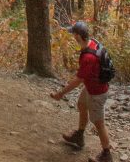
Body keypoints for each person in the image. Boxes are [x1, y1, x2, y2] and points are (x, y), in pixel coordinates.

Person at [50, 21, 113, 162]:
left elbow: (78, 80)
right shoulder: (93, 43)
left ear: (78, 36)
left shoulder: (88, 57)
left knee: (98, 122)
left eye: (73, 33)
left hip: (97, 92)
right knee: (82, 105)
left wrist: (61, 94)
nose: (72, 36)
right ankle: (79, 136)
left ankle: (106, 154)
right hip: (92, 87)